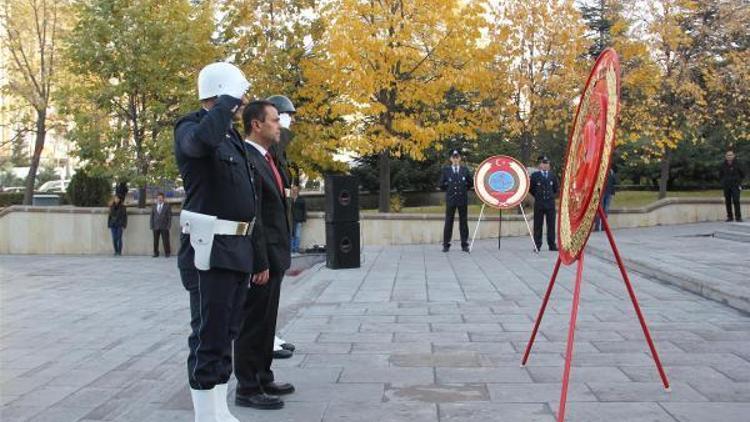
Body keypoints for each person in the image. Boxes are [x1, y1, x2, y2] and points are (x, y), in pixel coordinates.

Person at [174, 61, 256, 422]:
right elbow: (200, 143)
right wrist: (225, 102)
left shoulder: (231, 135)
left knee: (228, 333)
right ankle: (204, 416)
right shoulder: (191, 126)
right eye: (240, 94)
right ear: (225, 93)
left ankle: (219, 410)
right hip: (210, 248)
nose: (244, 102)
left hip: (237, 248)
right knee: (209, 334)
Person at [234, 101, 294, 410]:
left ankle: (263, 375)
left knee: (268, 320)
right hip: (262, 258)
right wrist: (259, 261)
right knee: (253, 322)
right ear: (256, 125)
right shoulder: (247, 158)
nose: (279, 125)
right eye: (273, 120)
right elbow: (252, 212)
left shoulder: (269, 158)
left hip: (276, 253)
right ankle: (247, 386)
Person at [265, 95, 298, 360]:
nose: (286, 125)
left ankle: (270, 335)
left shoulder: (278, 155)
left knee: (273, 295)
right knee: (265, 297)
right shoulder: (269, 150)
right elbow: (276, 148)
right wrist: (283, 126)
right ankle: (266, 340)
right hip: (268, 236)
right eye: (283, 119)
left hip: (279, 230)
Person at [439, 150, 473, 252]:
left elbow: (470, 183)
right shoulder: (446, 170)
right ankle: (446, 245)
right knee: (449, 221)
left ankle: (464, 244)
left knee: (463, 222)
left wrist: (463, 190)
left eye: (457, 157)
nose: (455, 159)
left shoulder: (465, 170)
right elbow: (441, 184)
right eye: (453, 157)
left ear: (460, 158)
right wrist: (449, 190)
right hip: (451, 200)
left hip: (462, 199)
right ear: (450, 159)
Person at [530, 155, 559, 251]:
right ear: (539, 165)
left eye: (547, 163)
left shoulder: (552, 175)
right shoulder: (535, 176)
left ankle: (552, 245)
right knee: (538, 225)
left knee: (551, 225)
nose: (546, 165)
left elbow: (555, 189)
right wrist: (538, 196)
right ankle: (537, 245)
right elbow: (531, 189)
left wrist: (550, 197)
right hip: (539, 204)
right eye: (544, 163)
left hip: (550, 204)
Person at [720, 150, 744, 222]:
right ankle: (730, 217)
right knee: (728, 201)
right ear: (726, 156)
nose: (729, 156)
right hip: (726, 186)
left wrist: (738, 182)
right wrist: (723, 182)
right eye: (728, 155)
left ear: (734, 156)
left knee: (736, 201)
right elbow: (720, 175)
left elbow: (742, 174)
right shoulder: (723, 165)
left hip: (735, 186)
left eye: (731, 155)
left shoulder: (738, 164)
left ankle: (738, 217)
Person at [149, 192, 172, 257]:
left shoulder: (167, 206)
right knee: (155, 241)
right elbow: (152, 217)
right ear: (157, 199)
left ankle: (167, 253)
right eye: (158, 198)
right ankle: (156, 253)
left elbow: (169, 216)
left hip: (164, 226)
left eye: (161, 198)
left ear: (163, 199)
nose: (160, 199)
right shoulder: (154, 206)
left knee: (166, 240)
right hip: (155, 226)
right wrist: (151, 225)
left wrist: (169, 225)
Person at [290, 185, 306, 253]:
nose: (294, 191)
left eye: (295, 190)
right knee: (291, 235)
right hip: (291, 219)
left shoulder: (301, 199)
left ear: (298, 191)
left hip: (298, 219)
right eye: (293, 190)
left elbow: (304, 209)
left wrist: (304, 219)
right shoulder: (289, 199)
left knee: (297, 235)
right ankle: (291, 249)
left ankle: (296, 249)